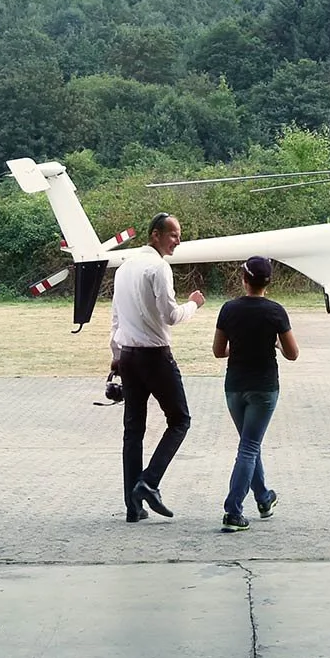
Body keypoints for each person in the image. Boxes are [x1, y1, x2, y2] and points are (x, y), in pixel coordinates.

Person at [110, 212, 204, 521]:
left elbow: (115, 318)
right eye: (174, 234)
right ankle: (149, 482)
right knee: (180, 420)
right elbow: (170, 316)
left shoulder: (123, 269)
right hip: (155, 356)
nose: (178, 240)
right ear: (155, 236)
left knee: (133, 430)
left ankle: (132, 507)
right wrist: (194, 304)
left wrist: (115, 353)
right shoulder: (159, 268)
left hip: (128, 356)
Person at [211, 255, 298, 532]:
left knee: (249, 444)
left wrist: (237, 348)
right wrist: (274, 345)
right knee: (249, 447)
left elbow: (218, 351)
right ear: (268, 283)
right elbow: (293, 354)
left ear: (244, 279)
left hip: (235, 386)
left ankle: (263, 498)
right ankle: (233, 511)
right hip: (264, 388)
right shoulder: (275, 311)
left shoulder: (228, 309)